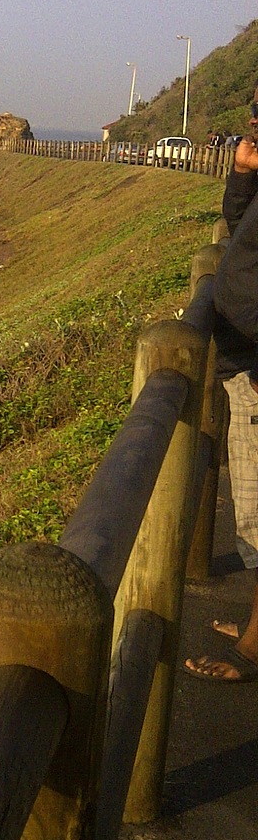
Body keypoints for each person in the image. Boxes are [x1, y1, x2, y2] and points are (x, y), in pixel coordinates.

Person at [186, 94, 258, 680]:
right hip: (245, 364)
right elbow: (238, 231)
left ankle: (255, 648)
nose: (255, 119)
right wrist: (240, 174)